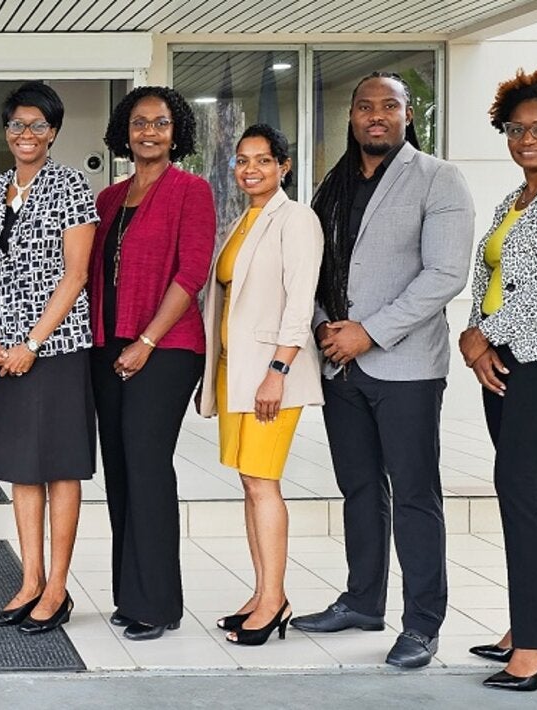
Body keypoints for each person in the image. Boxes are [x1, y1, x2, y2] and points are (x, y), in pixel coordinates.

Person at [289, 72, 473, 670]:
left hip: (406, 366)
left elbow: (445, 274)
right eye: (365, 107)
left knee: (415, 495)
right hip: (340, 366)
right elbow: (314, 266)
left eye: (388, 106)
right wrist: (324, 326)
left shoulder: (439, 178)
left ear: (407, 112)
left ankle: (423, 623)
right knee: (361, 490)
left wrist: (369, 331)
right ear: (351, 116)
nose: (376, 116)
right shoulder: (333, 184)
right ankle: (364, 601)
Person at [0, 82, 97, 635]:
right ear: (5, 132)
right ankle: (29, 580)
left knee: (60, 467)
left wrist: (32, 343)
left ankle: (58, 588)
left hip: (56, 349)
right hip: (0, 351)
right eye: (18, 125)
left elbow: (76, 275)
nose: (27, 135)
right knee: (22, 470)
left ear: (54, 132)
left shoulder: (71, 185)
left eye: (38, 126)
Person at [89, 86, 215, 641]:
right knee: (119, 469)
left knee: (146, 464)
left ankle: (159, 603)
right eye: (139, 123)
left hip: (165, 349)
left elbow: (192, 273)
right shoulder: (108, 199)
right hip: (107, 345)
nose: (149, 132)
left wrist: (145, 340)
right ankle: (129, 594)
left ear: (175, 132)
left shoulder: (192, 190)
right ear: (126, 131)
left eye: (160, 123)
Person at [197, 124, 324, 646]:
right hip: (236, 371)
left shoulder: (295, 219)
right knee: (250, 484)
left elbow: (300, 301)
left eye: (263, 161)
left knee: (263, 483)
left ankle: (274, 601)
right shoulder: (243, 220)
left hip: (271, 375)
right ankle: (262, 593)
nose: (251, 169)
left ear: (284, 167)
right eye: (243, 161)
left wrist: (279, 371)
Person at [456, 68, 537, 692]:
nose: (526, 139)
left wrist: (489, 333)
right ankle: (525, 622)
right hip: (504, 362)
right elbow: (491, 278)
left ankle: (534, 647)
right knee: (522, 494)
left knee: (522, 491)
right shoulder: (511, 202)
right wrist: (473, 337)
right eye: (517, 129)